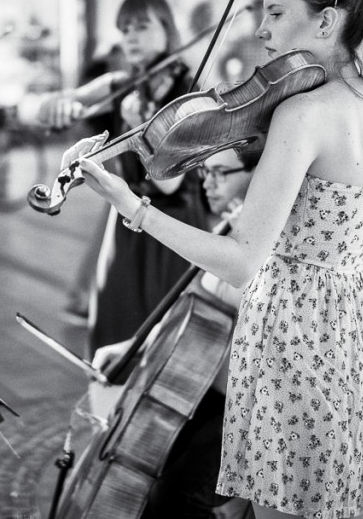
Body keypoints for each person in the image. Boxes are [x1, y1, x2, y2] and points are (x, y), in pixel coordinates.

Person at [63, 0, 363, 519]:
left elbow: (240, 261)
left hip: (291, 335)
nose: (261, 30)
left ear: (327, 21)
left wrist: (132, 204)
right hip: (347, 326)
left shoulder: (303, 113)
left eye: (276, 12)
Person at [18, 0, 208, 354]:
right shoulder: (120, 85)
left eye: (142, 26)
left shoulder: (188, 92)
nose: (131, 37)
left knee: (162, 347)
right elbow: (45, 106)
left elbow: (169, 187)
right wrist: (56, 106)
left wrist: (142, 127)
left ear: (167, 30)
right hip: (123, 229)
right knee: (114, 335)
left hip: (172, 229)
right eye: (125, 29)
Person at [93, 148, 258, 519]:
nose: (207, 183)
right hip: (201, 395)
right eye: (205, 172)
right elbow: (189, 313)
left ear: (257, 173)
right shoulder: (226, 226)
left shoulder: (255, 245)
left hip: (242, 407)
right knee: (147, 473)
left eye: (220, 173)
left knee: (175, 495)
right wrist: (131, 347)